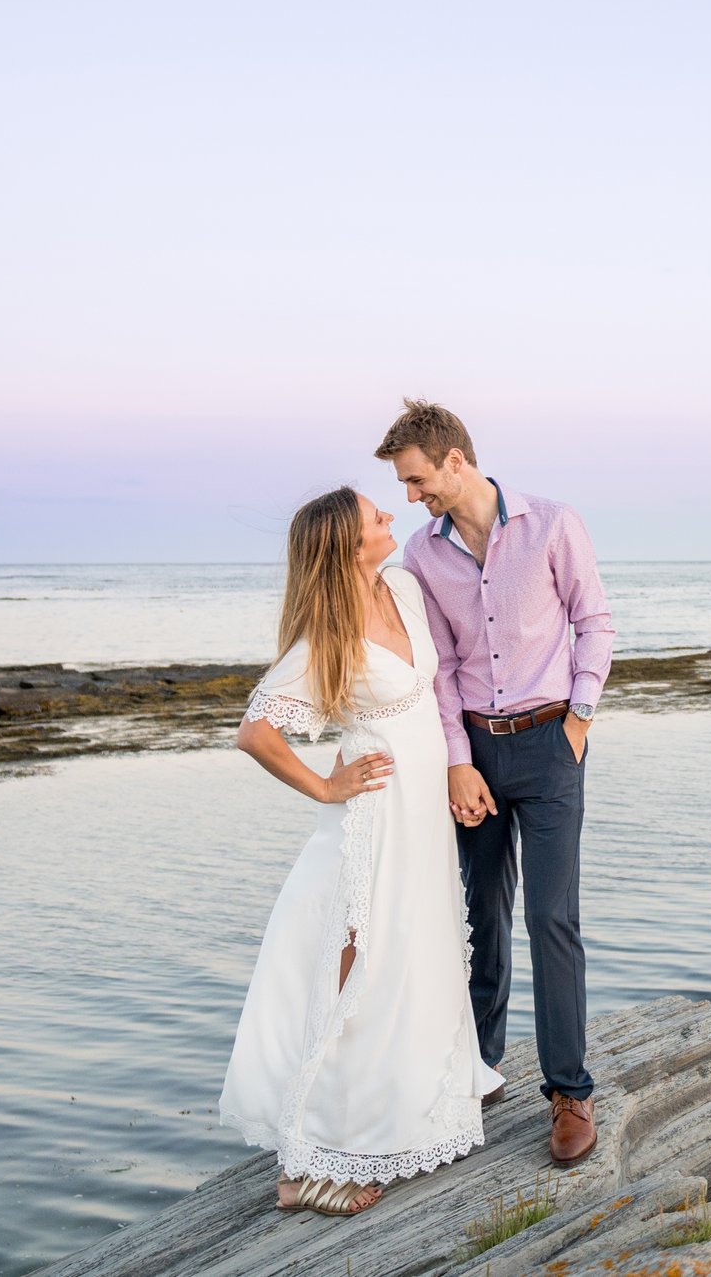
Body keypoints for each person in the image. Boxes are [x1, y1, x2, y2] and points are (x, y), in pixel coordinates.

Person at [217, 486, 503, 1216]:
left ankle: (407, 1104)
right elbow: (256, 729)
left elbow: (433, 695)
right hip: (372, 816)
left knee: (413, 951)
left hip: (422, 816)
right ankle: (307, 1159)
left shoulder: (403, 584)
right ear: (348, 544)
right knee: (356, 961)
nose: (389, 518)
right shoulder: (326, 640)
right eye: (376, 516)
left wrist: (454, 769)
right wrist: (323, 784)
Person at [378, 399, 614, 1166]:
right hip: (475, 751)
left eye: (416, 479)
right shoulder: (421, 555)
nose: (412, 496)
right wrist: (456, 759)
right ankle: (478, 1071)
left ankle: (570, 1091)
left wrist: (577, 719)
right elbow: (440, 665)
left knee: (551, 917)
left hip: (551, 746)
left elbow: (595, 621)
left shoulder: (551, 524)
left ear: (453, 459)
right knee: (480, 916)